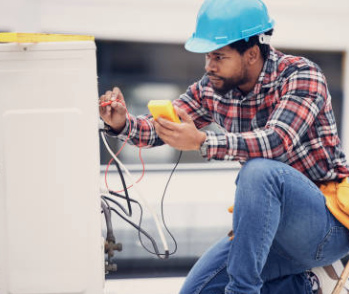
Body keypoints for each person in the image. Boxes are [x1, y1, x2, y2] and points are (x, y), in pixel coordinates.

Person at [99, 0, 349, 293]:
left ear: (252, 53)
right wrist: (121, 124)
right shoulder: (212, 88)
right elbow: (164, 127)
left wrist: (203, 142)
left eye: (219, 57)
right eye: (207, 56)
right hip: (267, 231)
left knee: (259, 172)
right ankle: (306, 284)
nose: (209, 66)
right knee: (195, 291)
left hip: (324, 226)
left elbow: (276, 142)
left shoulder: (301, 76)